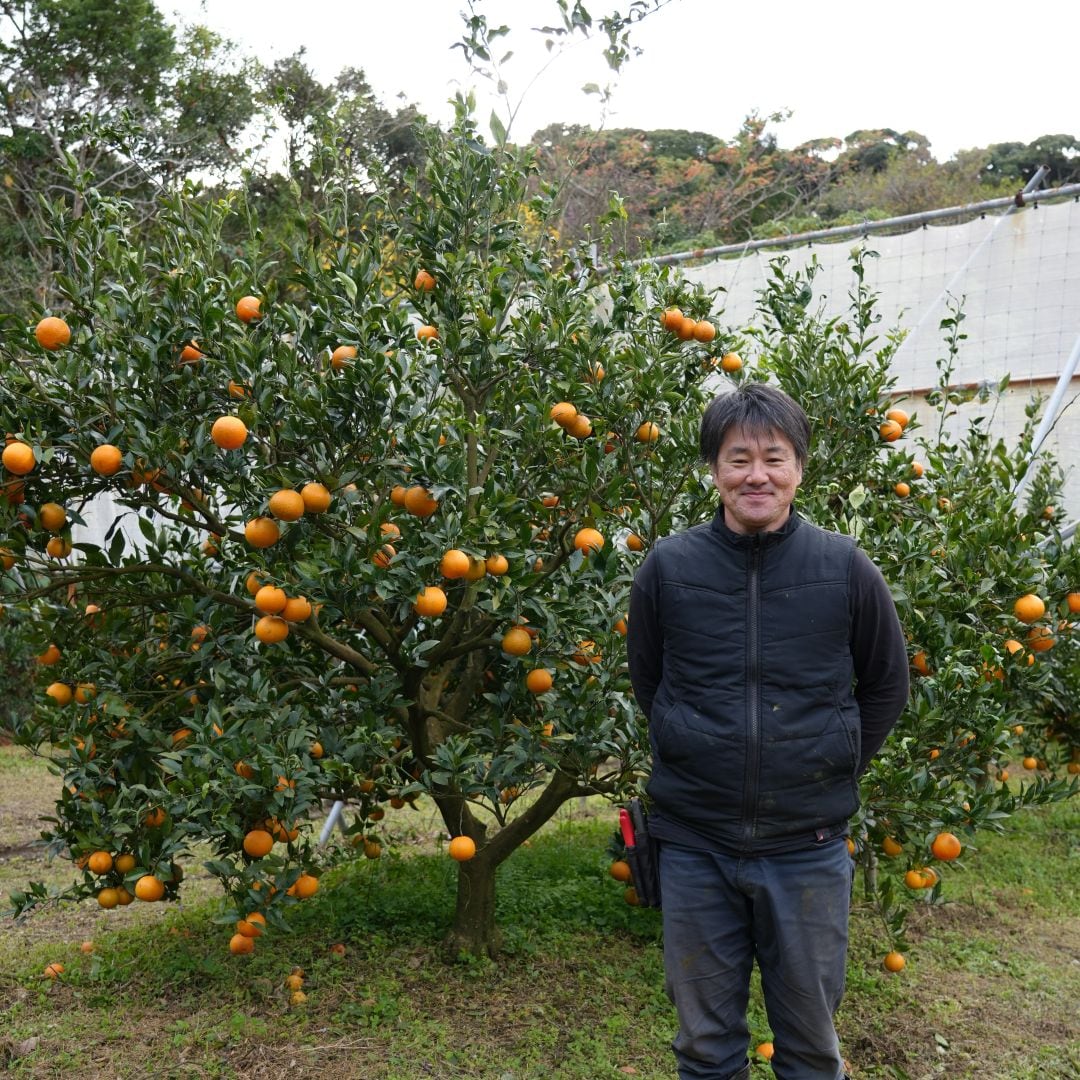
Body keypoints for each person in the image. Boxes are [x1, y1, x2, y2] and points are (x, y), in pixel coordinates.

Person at [627, 382, 909, 1080]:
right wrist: (695, 749)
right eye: (738, 458)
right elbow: (651, 682)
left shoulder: (843, 568)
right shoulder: (670, 568)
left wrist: (831, 761)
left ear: (800, 468)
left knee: (811, 1047)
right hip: (695, 843)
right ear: (714, 471)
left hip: (806, 847)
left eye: (774, 458)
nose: (757, 474)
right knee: (705, 1046)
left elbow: (885, 684)